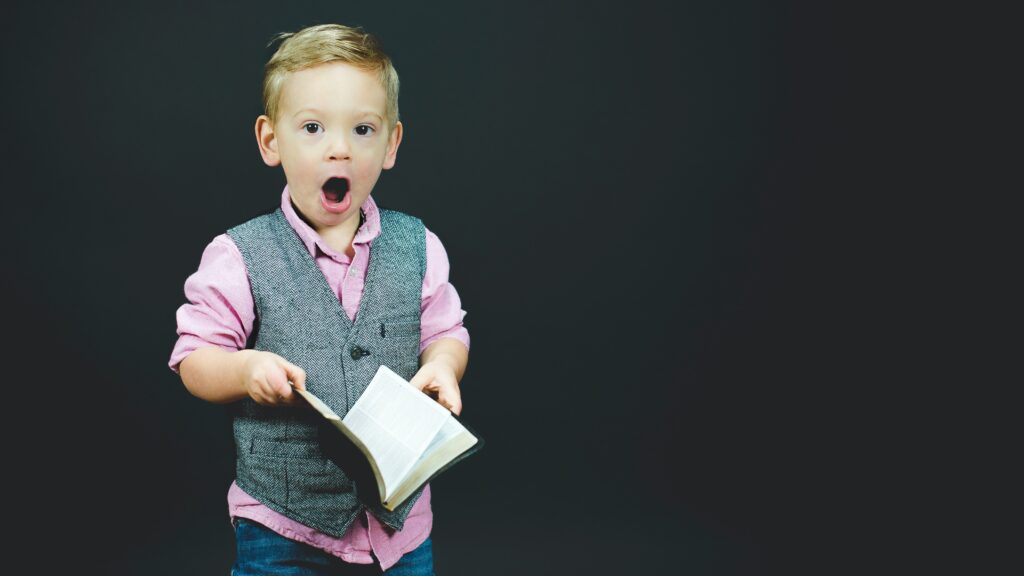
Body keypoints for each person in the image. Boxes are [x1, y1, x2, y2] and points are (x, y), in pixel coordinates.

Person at [168, 23, 469, 575]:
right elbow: (194, 358)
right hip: (282, 524)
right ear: (270, 141)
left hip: (398, 529)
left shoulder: (418, 246)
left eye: (362, 129)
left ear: (391, 144)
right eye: (312, 127)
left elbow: (446, 331)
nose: (339, 148)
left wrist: (443, 367)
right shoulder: (239, 254)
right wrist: (244, 368)